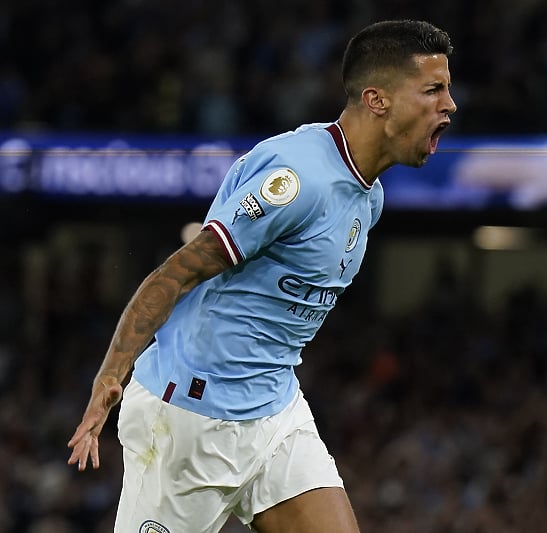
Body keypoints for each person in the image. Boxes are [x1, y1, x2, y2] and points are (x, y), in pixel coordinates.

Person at [67, 19, 456, 533]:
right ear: (377, 99)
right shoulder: (296, 180)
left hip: (274, 410)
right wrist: (110, 376)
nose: (449, 105)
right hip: (190, 418)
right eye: (434, 90)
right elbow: (176, 272)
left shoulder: (371, 195)